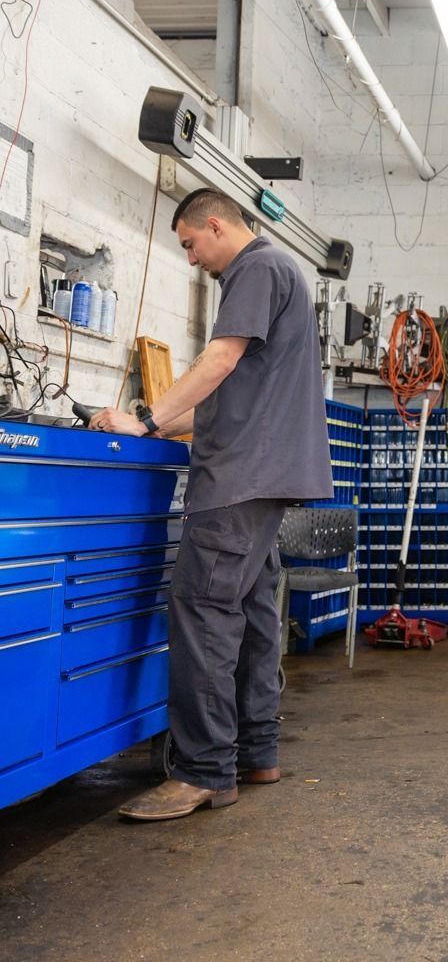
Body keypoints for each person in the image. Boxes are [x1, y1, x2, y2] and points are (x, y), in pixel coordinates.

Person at [90, 187, 333, 821]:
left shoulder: (255, 268)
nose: (192, 258)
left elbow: (218, 361)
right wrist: (158, 425)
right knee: (251, 613)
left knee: (200, 611)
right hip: (265, 479)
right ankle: (257, 752)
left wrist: (143, 419)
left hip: (237, 482)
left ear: (216, 226)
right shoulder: (283, 275)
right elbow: (233, 398)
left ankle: (202, 772)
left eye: (191, 244)